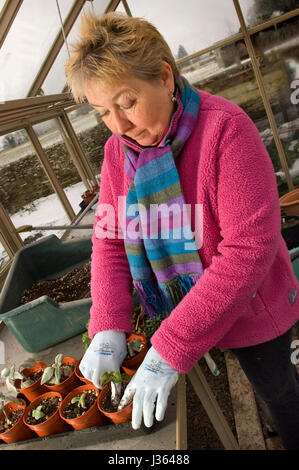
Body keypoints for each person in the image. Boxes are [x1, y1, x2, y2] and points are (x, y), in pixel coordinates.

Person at [65, 11, 299, 448]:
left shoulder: (226, 131)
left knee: (277, 390)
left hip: (253, 307)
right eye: (102, 113)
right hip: (188, 311)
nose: (118, 126)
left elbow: (249, 251)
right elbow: (111, 238)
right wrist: (108, 323)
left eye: (128, 102)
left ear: (166, 78)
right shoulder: (120, 152)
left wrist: (171, 346)